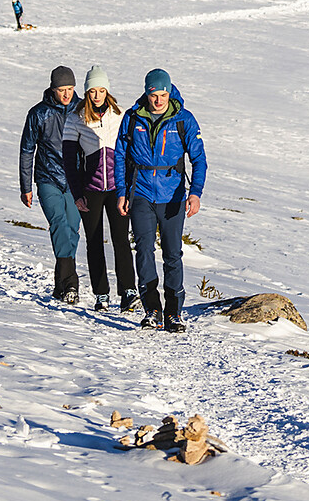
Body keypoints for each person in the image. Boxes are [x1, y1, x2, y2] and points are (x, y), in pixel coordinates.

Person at [115, 67, 206, 333]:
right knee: (143, 250)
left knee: (172, 254)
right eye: (154, 94)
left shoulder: (183, 119)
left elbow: (199, 159)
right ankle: (151, 310)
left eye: (163, 94)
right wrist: (122, 192)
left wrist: (195, 193)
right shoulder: (132, 118)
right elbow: (120, 157)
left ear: (169, 91)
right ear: (147, 92)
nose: (158, 100)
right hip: (141, 192)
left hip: (173, 195)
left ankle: (174, 312)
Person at [65, 66, 137, 313]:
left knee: (121, 240)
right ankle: (101, 294)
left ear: (108, 90)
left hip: (117, 189)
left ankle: (128, 291)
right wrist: (77, 194)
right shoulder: (75, 118)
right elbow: (69, 161)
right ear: (86, 92)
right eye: (92, 91)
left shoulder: (121, 116)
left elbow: (130, 156)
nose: (97, 95)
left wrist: (127, 190)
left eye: (101, 90)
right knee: (94, 241)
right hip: (91, 190)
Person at [20, 65, 83, 304]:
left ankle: (61, 285)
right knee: (58, 223)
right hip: (48, 178)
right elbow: (27, 149)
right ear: (52, 89)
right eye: (61, 89)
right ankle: (71, 283)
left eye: (70, 89)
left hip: (76, 181)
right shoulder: (39, 113)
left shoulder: (82, 111)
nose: (66, 94)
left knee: (73, 228)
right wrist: (26, 186)